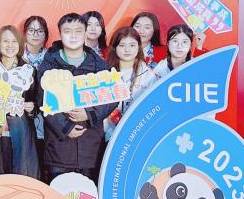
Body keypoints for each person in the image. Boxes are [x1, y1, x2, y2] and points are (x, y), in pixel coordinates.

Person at [37, 13, 114, 183]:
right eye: (67, 31)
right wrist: (66, 128)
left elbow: (112, 98)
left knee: (88, 195)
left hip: (90, 146)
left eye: (78, 31)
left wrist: (89, 114)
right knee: (59, 193)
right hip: (59, 147)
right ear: (60, 34)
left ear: (85, 33)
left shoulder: (99, 65)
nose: (73, 36)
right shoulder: (48, 65)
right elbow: (42, 101)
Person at [0, 26, 39, 178]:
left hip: (21, 130)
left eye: (14, 41)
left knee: (21, 176)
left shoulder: (28, 70)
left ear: (20, 44)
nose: (10, 45)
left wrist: (32, 108)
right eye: (5, 41)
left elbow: (37, 103)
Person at [104, 27, 158, 140]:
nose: (127, 50)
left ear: (139, 47)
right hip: (107, 134)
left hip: (138, 134)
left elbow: (153, 107)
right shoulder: (104, 73)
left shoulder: (148, 75)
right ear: (115, 47)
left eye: (132, 45)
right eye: (122, 45)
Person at [23, 15, 49, 176]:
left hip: (45, 119)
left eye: (40, 31)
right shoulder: (15, 54)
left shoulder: (52, 57)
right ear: (25, 33)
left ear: (46, 34)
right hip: (20, 115)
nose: (35, 34)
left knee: (41, 162)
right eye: (31, 30)